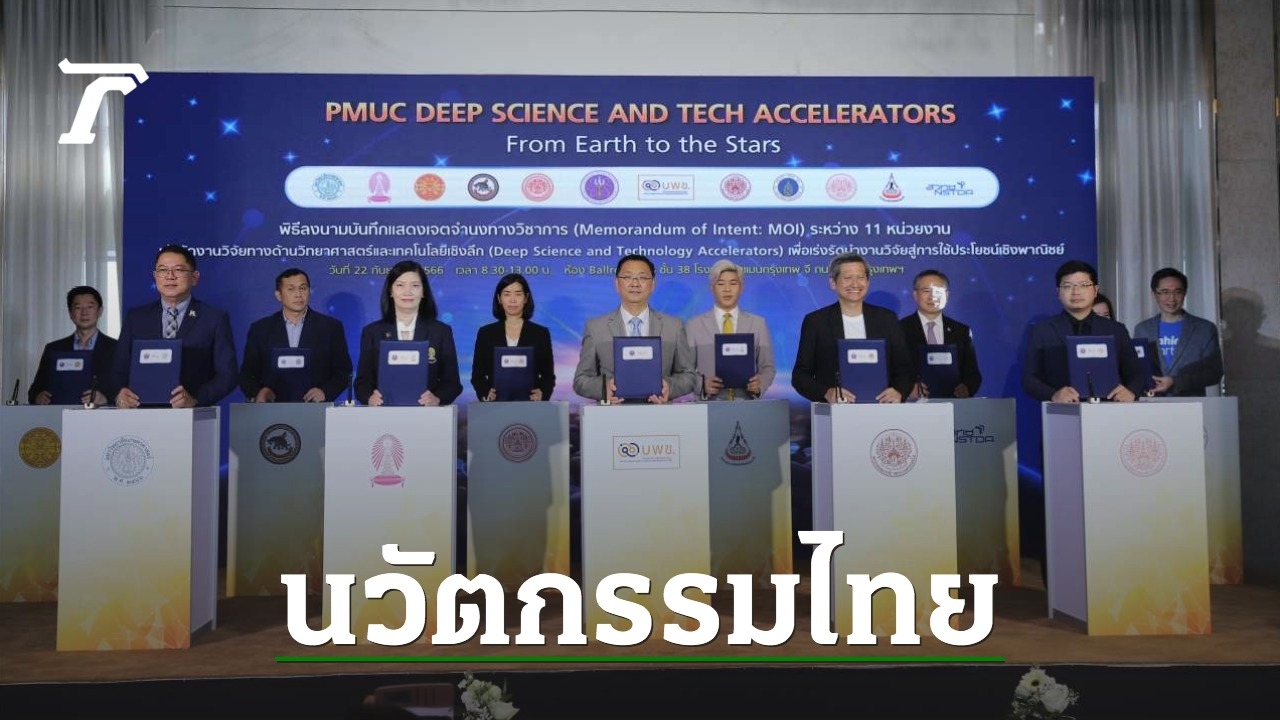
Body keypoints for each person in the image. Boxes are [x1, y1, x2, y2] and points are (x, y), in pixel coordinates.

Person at [108, 244, 238, 408]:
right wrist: (120, 393)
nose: (170, 276)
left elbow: (228, 374)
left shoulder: (213, 318)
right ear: (155, 276)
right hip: (141, 413)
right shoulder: (136, 318)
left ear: (194, 277)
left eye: (178, 270)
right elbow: (118, 369)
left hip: (190, 415)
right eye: (163, 270)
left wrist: (196, 399)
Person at [572, 254, 698, 403]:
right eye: (627, 277)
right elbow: (581, 380)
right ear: (617, 283)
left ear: (653, 284)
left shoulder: (674, 326)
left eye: (642, 277)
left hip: (660, 413)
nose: (635, 283)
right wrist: (604, 388)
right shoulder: (596, 327)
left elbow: (689, 376)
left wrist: (669, 387)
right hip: (612, 414)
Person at [791, 252, 913, 403]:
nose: (855, 284)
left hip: (882, 408)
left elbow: (905, 369)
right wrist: (826, 393)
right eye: (847, 278)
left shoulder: (887, 319)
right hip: (836, 411)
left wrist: (899, 391)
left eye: (861, 277)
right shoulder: (816, 321)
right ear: (833, 283)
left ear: (868, 282)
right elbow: (800, 376)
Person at [1022, 259, 1145, 403]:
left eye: (1083, 285)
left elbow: (1137, 374)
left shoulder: (1116, 330)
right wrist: (1053, 394)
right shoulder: (1043, 330)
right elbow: (1029, 379)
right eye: (1068, 286)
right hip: (1063, 411)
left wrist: (1131, 391)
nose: (1076, 292)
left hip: (1110, 410)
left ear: (1095, 290)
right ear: (1058, 292)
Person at [354, 260, 461, 406]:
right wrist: (369, 397)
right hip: (383, 412)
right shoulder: (372, 332)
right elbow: (362, 382)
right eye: (400, 285)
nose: (408, 292)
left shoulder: (441, 331)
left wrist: (437, 398)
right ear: (390, 291)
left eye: (415, 286)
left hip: (427, 414)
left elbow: (452, 383)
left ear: (423, 292)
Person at [239, 268, 353, 403]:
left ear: (309, 291)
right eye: (291, 289)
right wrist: (258, 392)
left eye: (303, 288)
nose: (298, 294)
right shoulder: (260, 329)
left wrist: (325, 392)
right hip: (271, 408)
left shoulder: (330, 327)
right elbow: (247, 374)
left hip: (315, 408)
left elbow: (343, 371)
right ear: (278, 295)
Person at [684, 259, 776, 400]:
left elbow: (768, 367)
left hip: (746, 405)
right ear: (712, 288)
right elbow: (684, 370)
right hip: (708, 406)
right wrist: (701, 385)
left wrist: (760, 384)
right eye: (721, 284)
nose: (727, 289)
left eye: (733, 283)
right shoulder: (694, 325)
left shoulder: (758, 324)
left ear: (741, 287)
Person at [1133, 267, 1223, 396]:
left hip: (1191, 403)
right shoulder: (1143, 329)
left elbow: (1214, 372)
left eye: (1177, 292)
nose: (1172, 299)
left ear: (1185, 293)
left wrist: (1175, 381)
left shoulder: (1204, 329)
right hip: (1152, 402)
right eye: (1165, 292)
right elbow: (1136, 369)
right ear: (1154, 294)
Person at [470, 273, 556, 401]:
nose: (512, 300)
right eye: (507, 294)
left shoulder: (541, 333)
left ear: (526, 298)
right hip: (495, 405)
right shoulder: (485, 333)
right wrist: (485, 392)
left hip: (531, 405)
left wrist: (542, 393)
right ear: (499, 298)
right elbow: (477, 376)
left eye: (518, 294)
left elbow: (548, 376)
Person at [898, 269, 982, 399]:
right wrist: (907, 389)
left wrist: (966, 388)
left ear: (947, 295)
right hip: (912, 406)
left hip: (953, 405)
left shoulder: (961, 331)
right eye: (926, 291)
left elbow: (973, 374)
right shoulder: (898, 329)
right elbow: (890, 371)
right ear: (915, 295)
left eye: (938, 291)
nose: (932, 297)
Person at [28, 285, 118, 405]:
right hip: (59, 414)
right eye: (78, 307)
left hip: (100, 414)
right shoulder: (54, 349)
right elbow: (35, 390)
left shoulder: (116, 348)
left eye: (90, 307)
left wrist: (106, 398)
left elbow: (124, 388)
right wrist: (38, 396)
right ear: (70, 313)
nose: (84, 313)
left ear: (100, 311)